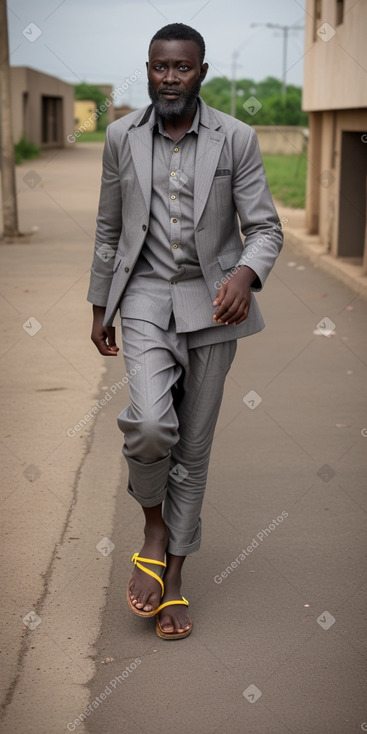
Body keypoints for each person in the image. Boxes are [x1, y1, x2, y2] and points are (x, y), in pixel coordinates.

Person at [88, 22, 283, 640]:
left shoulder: (236, 138)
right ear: (147, 69)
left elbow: (266, 228)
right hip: (144, 295)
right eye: (159, 67)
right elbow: (108, 227)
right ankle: (154, 523)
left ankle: (172, 581)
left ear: (202, 71)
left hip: (214, 303)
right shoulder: (120, 137)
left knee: (192, 451)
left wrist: (245, 276)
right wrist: (100, 305)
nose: (169, 78)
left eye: (182, 68)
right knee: (150, 426)